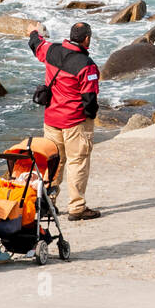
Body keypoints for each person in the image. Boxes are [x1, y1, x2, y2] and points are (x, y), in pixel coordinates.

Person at [28, 22, 102, 221]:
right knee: (77, 162)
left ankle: (48, 203)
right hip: (75, 121)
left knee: (53, 163)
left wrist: (33, 31)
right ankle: (77, 207)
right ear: (87, 39)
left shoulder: (51, 50)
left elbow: (36, 44)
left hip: (52, 118)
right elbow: (90, 100)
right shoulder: (87, 66)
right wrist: (91, 117)